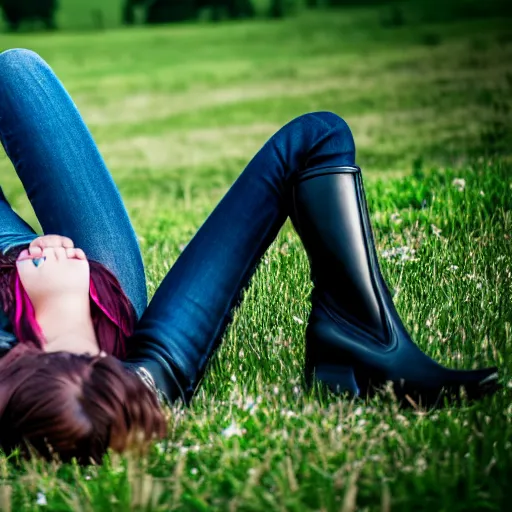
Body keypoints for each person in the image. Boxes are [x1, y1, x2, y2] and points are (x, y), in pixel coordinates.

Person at [0, 49, 500, 464]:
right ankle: (366, 340)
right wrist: (69, 319)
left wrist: (59, 318)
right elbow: (315, 140)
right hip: (108, 310)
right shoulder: (136, 385)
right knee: (318, 138)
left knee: (17, 71)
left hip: (52, 302)